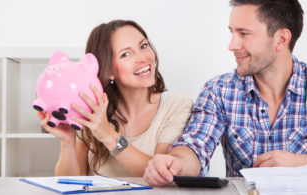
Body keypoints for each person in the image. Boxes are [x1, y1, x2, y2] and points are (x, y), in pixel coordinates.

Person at [143, 0, 307, 186]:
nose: (232, 45)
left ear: (281, 39)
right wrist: (174, 163)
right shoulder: (219, 91)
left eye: (244, 33)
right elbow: (195, 146)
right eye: (232, 32)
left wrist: (304, 164)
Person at [37, 20, 193, 177]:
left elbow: (163, 174)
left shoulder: (177, 106)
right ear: (108, 69)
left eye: (144, 46)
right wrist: (67, 142)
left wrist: (108, 135)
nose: (143, 59)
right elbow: (70, 184)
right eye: (126, 54)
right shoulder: (93, 110)